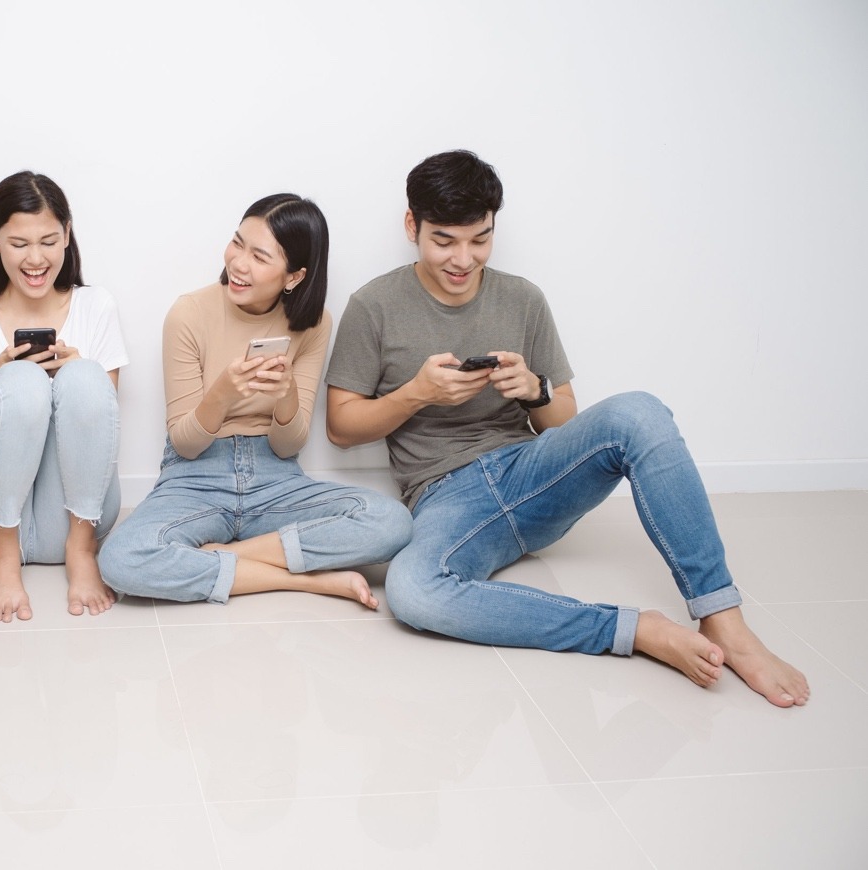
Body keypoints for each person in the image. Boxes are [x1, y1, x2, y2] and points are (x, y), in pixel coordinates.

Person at [324, 150, 809, 706]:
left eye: (480, 239)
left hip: (532, 475)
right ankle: (632, 630)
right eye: (444, 241)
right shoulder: (373, 305)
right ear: (412, 226)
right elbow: (341, 427)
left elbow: (566, 421)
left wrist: (535, 389)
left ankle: (724, 619)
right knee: (412, 592)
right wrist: (417, 394)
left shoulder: (523, 298)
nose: (463, 258)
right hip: (444, 496)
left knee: (639, 412)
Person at [99, 194, 413, 606]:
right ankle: (306, 580)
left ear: (294, 277)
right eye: (237, 242)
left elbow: (289, 445)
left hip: (276, 480)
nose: (238, 263)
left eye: (260, 256)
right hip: (195, 479)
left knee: (392, 521)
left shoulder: (315, 323)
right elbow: (185, 443)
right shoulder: (189, 313)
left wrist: (286, 396)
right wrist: (224, 394)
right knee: (121, 559)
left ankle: (227, 559)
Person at [0, 171, 127, 623]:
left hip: (76, 515)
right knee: (20, 382)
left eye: (49, 240)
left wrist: (82, 371)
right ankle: (2, 558)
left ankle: (82, 551)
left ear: (67, 234)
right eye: (20, 243)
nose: (36, 258)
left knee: (84, 376)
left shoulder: (96, 305)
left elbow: (104, 432)